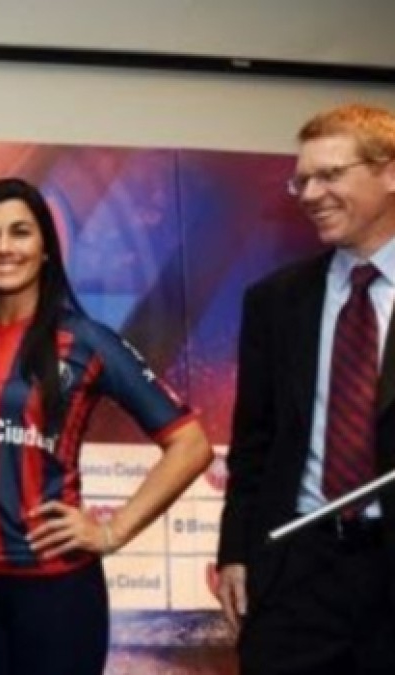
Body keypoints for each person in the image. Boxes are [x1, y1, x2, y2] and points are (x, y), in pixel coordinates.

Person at [0, 177, 213, 675]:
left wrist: (112, 531)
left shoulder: (86, 341)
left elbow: (190, 444)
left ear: (45, 251)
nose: (4, 247)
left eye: (20, 232)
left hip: (56, 593)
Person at [216, 103, 395, 673]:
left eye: (330, 174)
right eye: (302, 180)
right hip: (297, 573)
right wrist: (236, 552)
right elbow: (253, 444)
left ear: (390, 173)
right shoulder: (275, 300)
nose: (312, 194)